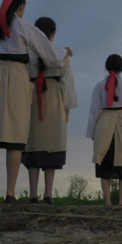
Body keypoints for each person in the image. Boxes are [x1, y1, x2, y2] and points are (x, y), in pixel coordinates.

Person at [0, 0, 61, 204]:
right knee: (15, 138)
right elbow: (47, 52)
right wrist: (62, 54)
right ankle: (10, 194)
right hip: (17, 81)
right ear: (21, 8)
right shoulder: (23, 25)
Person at [23, 17, 77, 205]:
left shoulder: (27, 54)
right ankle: (48, 195)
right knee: (51, 145)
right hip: (54, 99)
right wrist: (67, 108)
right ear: (53, 34)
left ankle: (32, 195)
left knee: (33, 145)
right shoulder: (61, 55)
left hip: (32, 99)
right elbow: (67, 83)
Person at [86, 54, 122, 206]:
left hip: (105, 122)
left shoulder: (99, 86)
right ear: (121, 68)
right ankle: (121, 202)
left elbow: (94, 110)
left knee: (105, 162)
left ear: (106, 67)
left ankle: (108, 202)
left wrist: (92, 133)